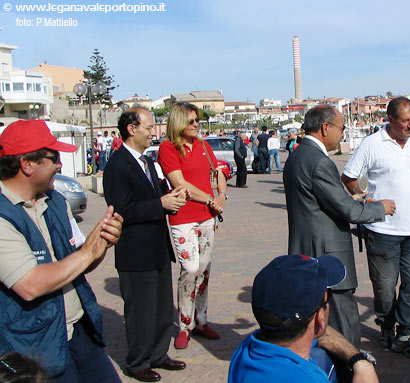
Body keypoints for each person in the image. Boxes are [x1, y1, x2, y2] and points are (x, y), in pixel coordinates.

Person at [0, 119, 123, 383]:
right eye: (53, 157)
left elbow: (77, 262)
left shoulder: (55, 201)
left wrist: (101, 243)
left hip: (80, 332)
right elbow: (29, 284)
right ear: (27, 164)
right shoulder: (2, 216)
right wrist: (88, 252)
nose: (60, 165)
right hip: (35, 347)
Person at [341, 97, 410, 359]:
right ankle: (386, 325)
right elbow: (349, 176)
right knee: (385, 287)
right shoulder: (373, 143)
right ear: (390, 120)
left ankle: (407, 334)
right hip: (382, 231)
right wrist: (364, 197)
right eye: (406, 121)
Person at [283, 105, 395, 348]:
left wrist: (350, 200)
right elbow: (348, 211)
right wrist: (380, 209)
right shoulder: (319, 161)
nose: (342, 133)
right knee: (343, 322)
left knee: (319, 321)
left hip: (307, 247)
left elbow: (319, 201)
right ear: (325, 128)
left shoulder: (298, 155)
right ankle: (350, 366)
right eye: (341, 128)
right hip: (328, 254)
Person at [103, 108, 189, 382]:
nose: (153, 132)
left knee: (162, 308)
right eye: (149, 127)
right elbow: (121, 209)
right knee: (141, 311)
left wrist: (172, 197)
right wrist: (159, 204)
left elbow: (157, 196)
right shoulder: (118, 165)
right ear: (131, 129)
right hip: (135, 253)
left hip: (158, 250)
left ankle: (158, 354)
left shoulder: (148, 162)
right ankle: (137, 362)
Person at [228, 255, 379, 383]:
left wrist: (358, 359)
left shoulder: (248, 347)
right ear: (320, 317)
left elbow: (320, 333)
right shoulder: (310, 379)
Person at [158, 102, 228, 350]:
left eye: (197, 119)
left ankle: (201, 319)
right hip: (183, 217)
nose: (196, 124)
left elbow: (218, 171)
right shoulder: (168, 149)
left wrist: (221, 195)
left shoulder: (203, 145)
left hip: (207, 216)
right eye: (191, 120)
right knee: (190, 268)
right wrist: (210, 198)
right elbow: (180, 184)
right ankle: (184, 323)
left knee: (204, 270)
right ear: (178, 122)